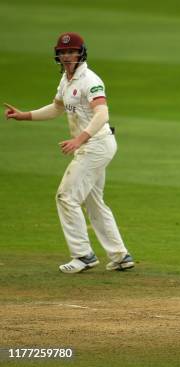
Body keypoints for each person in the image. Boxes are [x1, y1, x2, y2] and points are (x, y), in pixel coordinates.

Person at [4, 32, 134, 274]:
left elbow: (102, 114)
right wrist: (25, 115)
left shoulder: (90, 80)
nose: (66, 56)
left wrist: (79, 139)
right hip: (91, 145)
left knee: (67, 196)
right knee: (94, 203)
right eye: (62, 52)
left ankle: (83, 255)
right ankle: (120, 255)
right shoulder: (66, 80)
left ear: (80, 53)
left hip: (96, 144)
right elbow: (56, 108)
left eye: (71, 51)